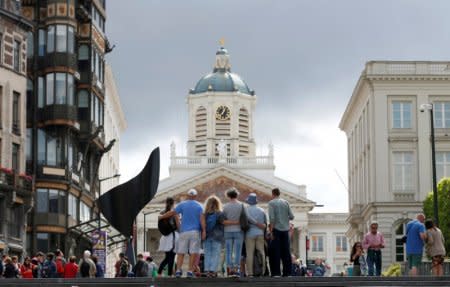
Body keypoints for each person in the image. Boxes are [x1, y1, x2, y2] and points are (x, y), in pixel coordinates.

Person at [159, 188, 205, 278]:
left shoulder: (182, 204)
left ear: (188, 196)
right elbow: (202, 219)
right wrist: (204, 231)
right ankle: (190, 271)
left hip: (184, 232)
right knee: (193, 252)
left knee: (181, 252)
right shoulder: (200, 206)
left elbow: (172, 213)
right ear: (195, 196)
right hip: (195, 232)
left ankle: (178, 271)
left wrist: (161, 217)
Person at [268, 187, 294, 277]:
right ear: (279, 194)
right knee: (286, 252)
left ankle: (276, 273)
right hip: (285, 230)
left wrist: (271, 231)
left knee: (275, 251)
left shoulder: (271, 203)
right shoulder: (286, 202)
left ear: (273, 194)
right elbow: (291, 216)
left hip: (276, 229)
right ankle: (288, 272)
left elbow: (272, 218)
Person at [223, 188, 245, 277]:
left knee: (228, 251)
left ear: (228, 196)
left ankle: (230, 269)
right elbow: (244, 218)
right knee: (237, 251)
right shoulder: (241, 205)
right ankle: (237, 268)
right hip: (238, 230)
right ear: (237, 195)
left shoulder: (226, 206)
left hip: (227, 230)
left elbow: (223, 219)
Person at [244, 193, 267, 277]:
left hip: (249, 234)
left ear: (249, 202)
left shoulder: (246, 210)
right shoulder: (262, 210)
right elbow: (265, 223)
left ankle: (250, 273)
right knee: (261, 252)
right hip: (260, 233)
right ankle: (262, 271)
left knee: (249, 253)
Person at [203, 195, 225, 278]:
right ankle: (213, 271)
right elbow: (223, 225)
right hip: (217, 236)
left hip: (207, 236)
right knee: (216, 254)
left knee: (207, 253)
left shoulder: (205, 214)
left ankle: (207, 270)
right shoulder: (220, 213)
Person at [157, 197, 179, 277]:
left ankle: (159, 272)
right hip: (172, 237)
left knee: (167, 257)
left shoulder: (162, 212)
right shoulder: (174, 212)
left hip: (164, 237)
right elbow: (177, 226)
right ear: (173, 203)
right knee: (172, 257)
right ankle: (169, 274)